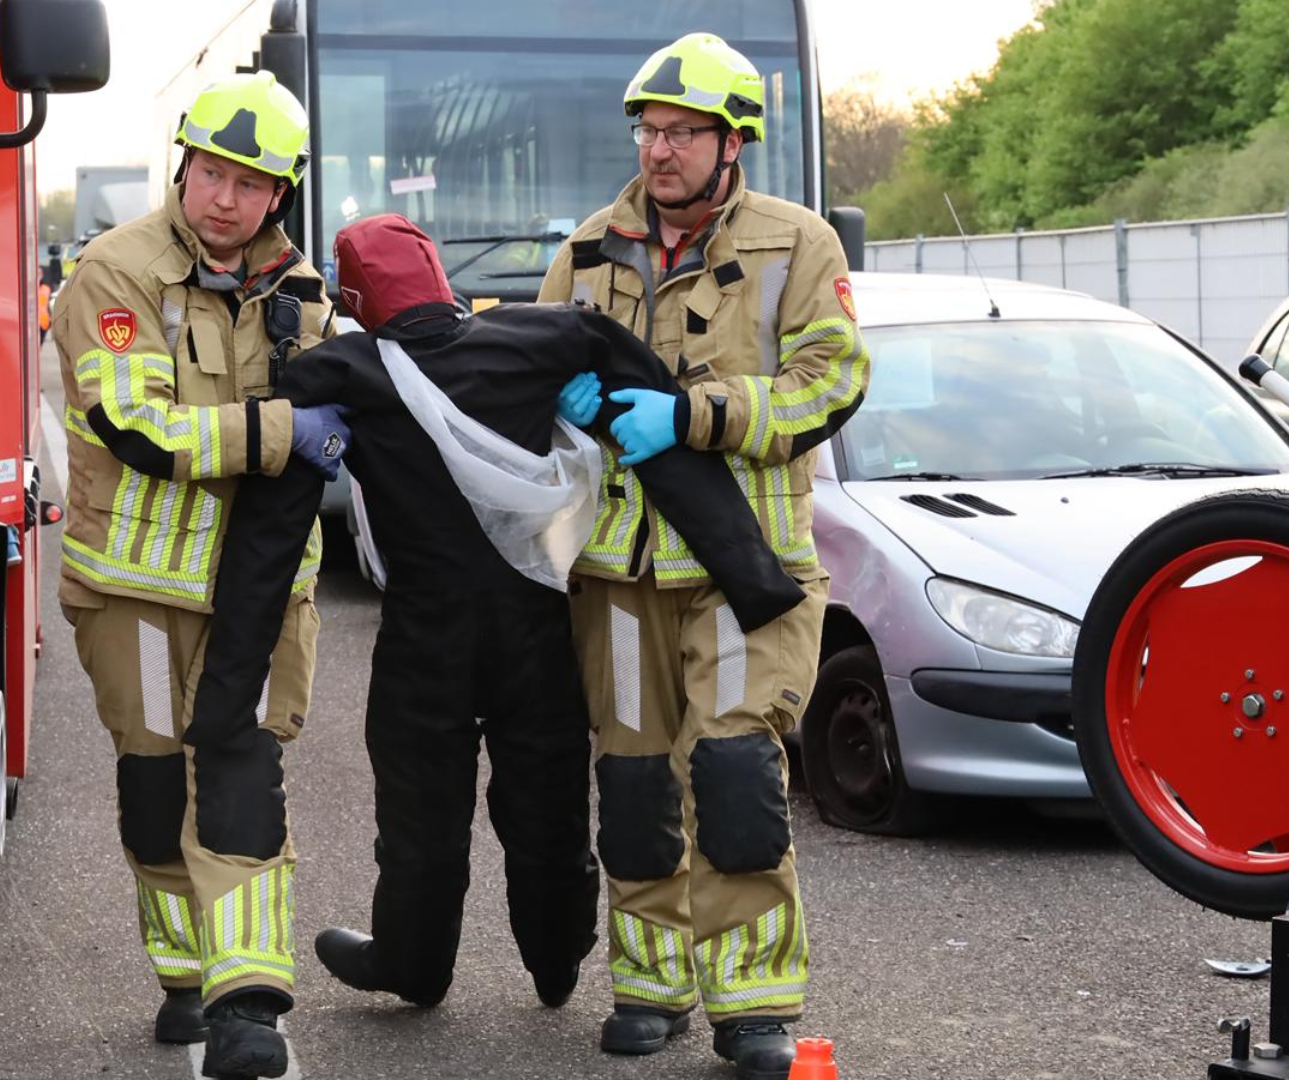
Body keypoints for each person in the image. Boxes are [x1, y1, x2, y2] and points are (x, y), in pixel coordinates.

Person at [179, 213, 809, 1017]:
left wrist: (231, 687)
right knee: (546, 802)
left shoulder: (343, 370)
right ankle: (556, 961)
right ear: (439, 275)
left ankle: (414, 964)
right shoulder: (547, 340)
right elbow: (660, 440)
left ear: (358, 297)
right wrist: (753, 577)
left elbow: (271, 540)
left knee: (419, 814)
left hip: (423, 638)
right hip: (534, 627)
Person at [538, 32, 870, 1080]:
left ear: (734, 145)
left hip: (744, 573)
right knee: (635, 787)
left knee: (733, 776)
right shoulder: (590, 247)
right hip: (620, 575)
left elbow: (832, 385)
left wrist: (698, 414)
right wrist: (562, 398)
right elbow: (533, 366)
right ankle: (650, 986)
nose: (661, 149)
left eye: (684, 132)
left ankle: (755, 1008)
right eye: (650, 129)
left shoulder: (797, 242)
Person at [51, 72, 350, 1080]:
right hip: (133, 591)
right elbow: (137, 427)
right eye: (213, 173)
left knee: (239, 783)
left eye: (252, 183)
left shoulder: (304, 293)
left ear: (281, 195)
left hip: (259, 600)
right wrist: (285, 432)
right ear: (185, 165)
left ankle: (248, 1001)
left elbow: (349, 410)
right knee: (152, 793)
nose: (225, 199)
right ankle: (185, 972)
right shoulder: (113, 271)